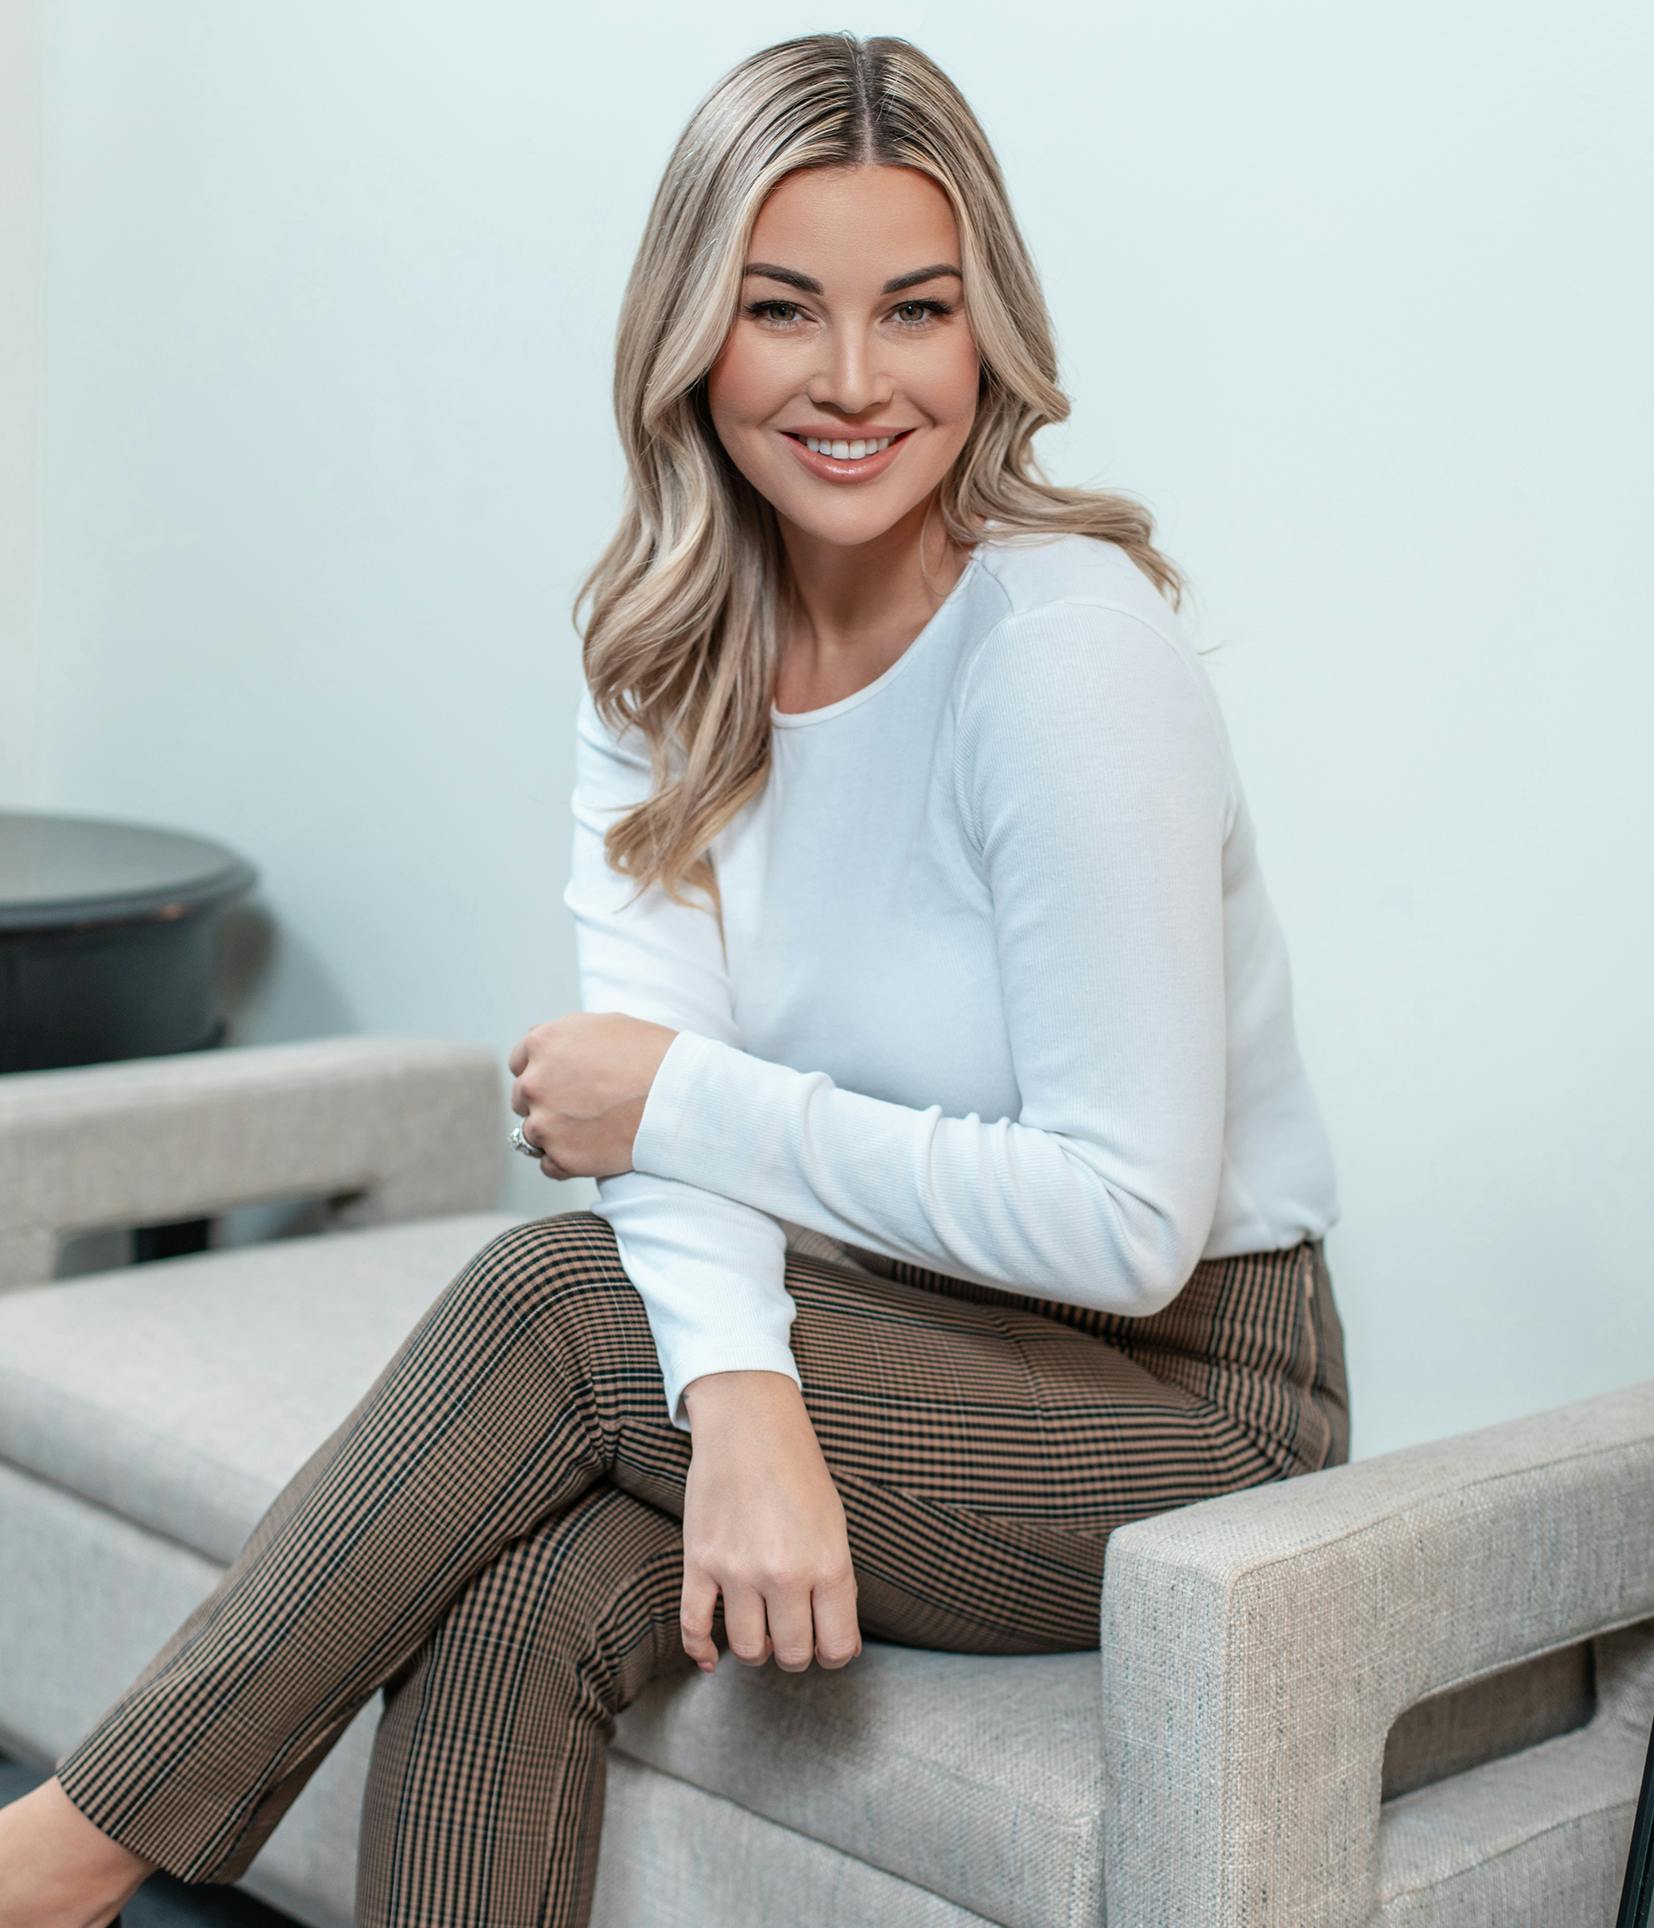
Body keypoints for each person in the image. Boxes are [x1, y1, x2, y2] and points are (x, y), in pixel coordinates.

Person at [0, 29, 1350, 1928]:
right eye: (784, 309)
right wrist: (739, 1389)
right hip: (868, 1312)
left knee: (551, 1300)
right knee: (517, 1590)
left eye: (918, 309)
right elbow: (666, 1102)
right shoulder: (666, 643)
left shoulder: (1063, 657)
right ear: (692, 330)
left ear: (993, 339)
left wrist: (681, 1115)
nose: (856, 381)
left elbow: (1123, 1221)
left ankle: (59, 1859)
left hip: (1181, 1394)